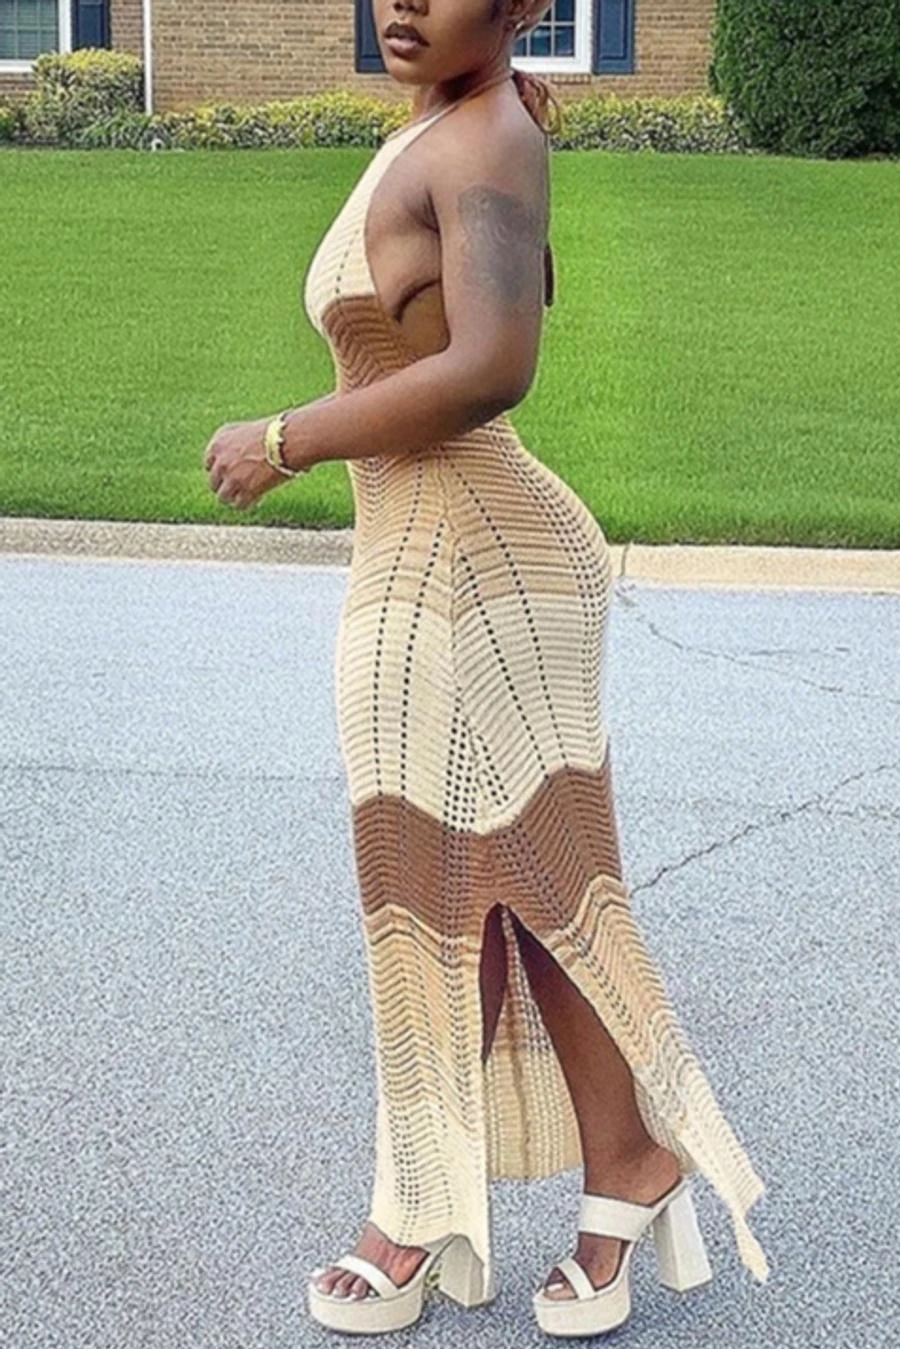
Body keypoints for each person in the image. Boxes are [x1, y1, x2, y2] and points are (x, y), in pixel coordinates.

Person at [203, 0, 770, 1337]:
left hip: (474, 561)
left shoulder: (488, 140)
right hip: (433, 550)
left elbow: (494, 367)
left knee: (436, 886)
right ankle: (621, 1164)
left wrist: (286, 438)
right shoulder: (442, 126)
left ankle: (418, 1212)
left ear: (521, 7)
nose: (404, 1)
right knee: (517, 886)